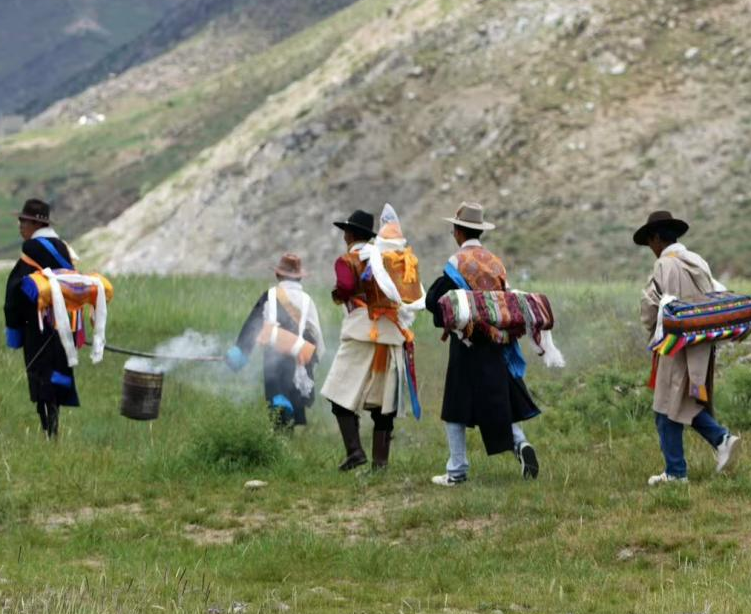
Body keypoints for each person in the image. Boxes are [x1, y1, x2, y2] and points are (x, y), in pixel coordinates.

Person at [424, 202, 540, 486]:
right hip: (496, 340)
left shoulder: (457, 263)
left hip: (467, 342)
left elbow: (435, 302)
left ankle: (457, 470)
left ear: (459, 232)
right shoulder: (495, 262)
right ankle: (521, 444)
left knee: (455, 406)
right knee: (498, 399)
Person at [636, 210, 741, 486]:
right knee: (683, 401)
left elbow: (650, 309)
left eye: (650, 242)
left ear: (658, 238)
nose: (651, 249)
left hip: (676, 344)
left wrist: (651, 332)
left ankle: (677, 471)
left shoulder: (664, 266)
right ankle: (720, 441)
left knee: (665, 406)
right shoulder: (697, 260)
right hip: (702, 343)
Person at [320, 207, 423, 471]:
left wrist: (338, 293)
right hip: (390, 332)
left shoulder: (347, 261)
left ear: (350, 234)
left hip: (361, 333)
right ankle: (380, 465)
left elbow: (344, 287)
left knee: (338, 393)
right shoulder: (388, 259)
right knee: (383, 403)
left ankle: (355, 452)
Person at [3, 198, 82, 439]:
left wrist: (13, 327)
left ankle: (50, 432)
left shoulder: (32, 249)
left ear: (35, 224)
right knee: (57, 374)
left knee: (40, 377)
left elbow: (15, 292)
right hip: (62, 325)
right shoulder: (62, 247)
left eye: (23, 221)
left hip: (37, 326)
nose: (20, 225)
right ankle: (53, 430)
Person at [226, 253, 322, 431]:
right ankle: (288, 442)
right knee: (293, 399)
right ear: (300, 277)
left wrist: (240, 354)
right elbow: (315, 332)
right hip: (299, 356)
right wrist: (313, 360)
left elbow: (252, 327)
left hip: (275, 358)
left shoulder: (270, 295)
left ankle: (280, 443)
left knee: (278, 401)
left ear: (278, 275)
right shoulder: (308, 300)